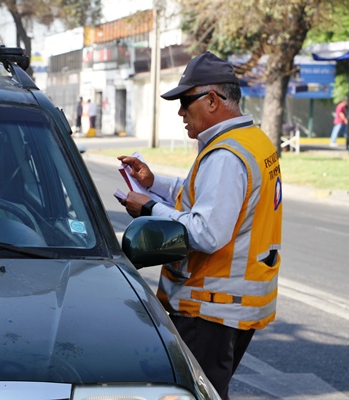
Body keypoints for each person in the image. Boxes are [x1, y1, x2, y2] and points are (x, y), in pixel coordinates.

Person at [117, 52, 282, 400]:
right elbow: (204, 195)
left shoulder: (225, 156)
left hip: (209, 309)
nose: (180, 112)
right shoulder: (252, 141)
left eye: (185, 102)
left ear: (212, 100)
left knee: (196, 394)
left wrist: (149, 208)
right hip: (232, 306)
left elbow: (206, 232)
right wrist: (153, 182)